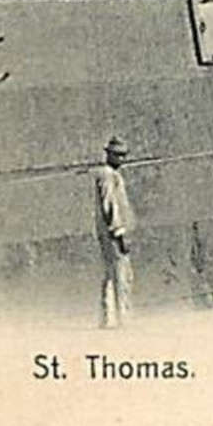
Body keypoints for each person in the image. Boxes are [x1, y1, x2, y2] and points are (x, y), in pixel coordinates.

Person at [93, 137, 136, 328]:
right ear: (108, 154)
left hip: (109, 232)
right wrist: (119, 232)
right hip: (112, 234)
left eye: (123, 155)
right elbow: (110, 205)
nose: (121, 159)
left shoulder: (111, 174)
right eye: (117, 155)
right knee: (121, 275)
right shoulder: (107, 175)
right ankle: (121, 317)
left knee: (112, 275)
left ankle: (108, 318)